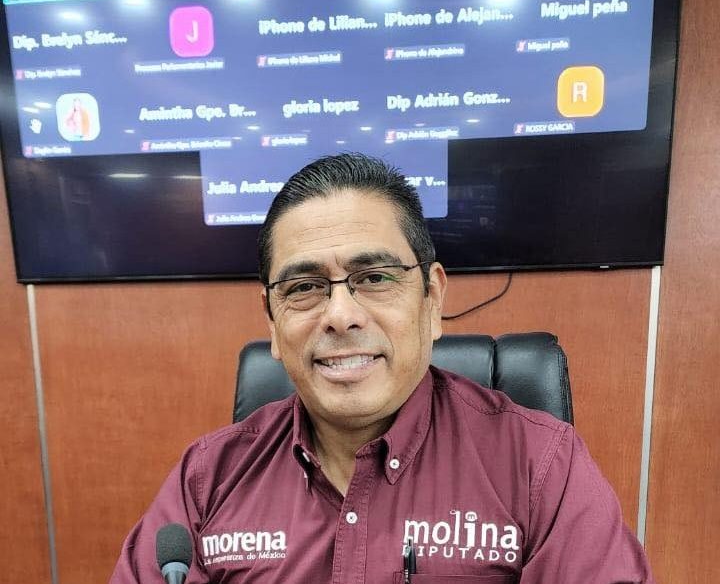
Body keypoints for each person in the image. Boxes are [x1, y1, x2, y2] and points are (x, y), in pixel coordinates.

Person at [111, 153, 655, 583]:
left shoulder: (539, 466)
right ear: (272, 321)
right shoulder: (208, 479)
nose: (340, 315)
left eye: (374, 278)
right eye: (304, 287)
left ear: (432, 298)